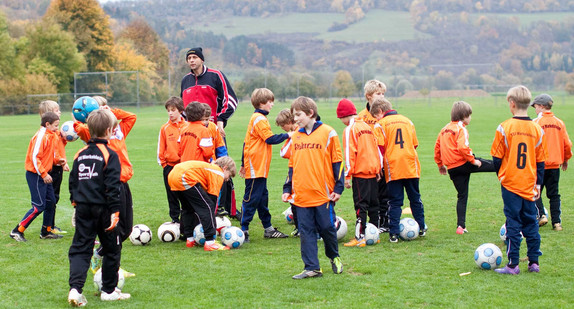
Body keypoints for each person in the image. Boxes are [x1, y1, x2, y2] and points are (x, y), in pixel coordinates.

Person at [67, 109, 130, 306]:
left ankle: (75, 289)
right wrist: (115, 212)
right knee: (112, 248)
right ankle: (109, 291)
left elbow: (73, 182)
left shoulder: (80, 153)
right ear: (110, 130)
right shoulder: (110, 154)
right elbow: (113, 186)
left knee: (80, 248)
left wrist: (75, 205)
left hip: (84, 208)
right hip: (104, 210)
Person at [73, 98, 136, 275]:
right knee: (113, 230)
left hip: (124, 182)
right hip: (109, 185)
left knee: (126, 229)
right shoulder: (89, 131)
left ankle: (101, 256)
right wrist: (83, 116)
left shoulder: (119, 130)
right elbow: (78, 125)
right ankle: (111, 269)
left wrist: (113, 112)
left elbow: (131, 117)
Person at [282, 96, 343, 279]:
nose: (295, 119)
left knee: (326, 228)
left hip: (322, 194)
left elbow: (337, 162)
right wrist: (287, 188)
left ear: (310, 113)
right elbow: (292, 165)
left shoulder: (328, 133)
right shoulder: (296, 136)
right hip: (301, 195)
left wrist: (338, 188)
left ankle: (334, 256)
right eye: (294, 115)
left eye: (298, 115)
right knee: (306, 231)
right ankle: (312, 267)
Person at [491, 85, 546, 275]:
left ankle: (513, 265)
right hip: (530, 184)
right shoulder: (537, 129)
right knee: (531, 222)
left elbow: (497, 159)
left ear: (512, 104)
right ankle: (534, 263)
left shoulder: (504, 127)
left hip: (511, 184)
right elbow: (540, 161)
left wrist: (502, 175)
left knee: (512, 222)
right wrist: (538, 183)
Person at [180, 47, 238, 222]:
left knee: (222, 167)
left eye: (195, 57)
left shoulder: (215, 76)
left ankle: (226, 208)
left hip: (214, 131)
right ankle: (201, 208)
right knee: (195, 170)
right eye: (189, 58)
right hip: (192, 134)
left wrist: (220, 120)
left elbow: (231, 100)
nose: (192, 60)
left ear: (202, 59)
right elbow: (184, 107)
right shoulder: (185, 80)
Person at [434, 101, 495, 234]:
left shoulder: (444, 129)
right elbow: (462, 147)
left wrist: (440, 165)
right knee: (491, 164)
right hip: (463, 164)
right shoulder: (461, 129)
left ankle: (461, 226)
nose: (470, 118)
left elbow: (437, 148)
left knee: (462, 196)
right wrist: (473, 161)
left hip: (452, 168)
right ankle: (507, 170)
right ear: (464, 115)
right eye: (469, 115)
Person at [370, 98, 426, 243]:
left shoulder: (380, 124)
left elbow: (380, 148)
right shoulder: (408, 121)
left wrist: (379, 167)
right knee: (415, 197)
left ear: (380, 112)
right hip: (410, 165)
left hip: (393, 167)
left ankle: (393, 233)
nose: (376, 118)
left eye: (376, 115)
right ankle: (421, 227)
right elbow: (414, 144)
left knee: (395, 201)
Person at [239, 88, 291, 242]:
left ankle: (268, 229)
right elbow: (270, 139)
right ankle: (244, 230)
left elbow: (245, 142)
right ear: (262, 103)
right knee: (252, 198)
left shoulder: (259, 118)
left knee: (262, 198)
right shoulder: (259, 119)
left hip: (259, 167)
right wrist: (289, 134)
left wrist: (243, 163)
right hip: (256, 166)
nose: (272, 104)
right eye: (270, 101)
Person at [10, 112, 65, 242]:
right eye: (56, 126)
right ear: (47, 124)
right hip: (36, 175)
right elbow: (35, 157)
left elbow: (48, 155)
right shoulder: (41, 136)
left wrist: (58, 161)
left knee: (51, 202)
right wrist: (44, 174)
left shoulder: (50, 135)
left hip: (44, 174)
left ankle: (46, 231)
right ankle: (17, 231)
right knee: (39, 206)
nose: (57, 128)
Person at [336, 98, 382, 247]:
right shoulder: (367, 126)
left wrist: (347, 175)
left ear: (344, 116)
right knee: (374, 205)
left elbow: (349, 153)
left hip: (360, 174)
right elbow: (376, 150)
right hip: (372, 172)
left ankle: (360, 237)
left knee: (360, 206)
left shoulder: (350, 129)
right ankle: (375, 234)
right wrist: (378, 169)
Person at [168, 157, 237, 251]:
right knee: (208, 207)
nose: (227, 179)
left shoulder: (209, 168)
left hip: (172, 175)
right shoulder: (218, 172)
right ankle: (210, 242)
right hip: (185, 177)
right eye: (228, 176)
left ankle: (190, 240)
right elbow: (212, 200)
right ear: (224, 168)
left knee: (187, 208)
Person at [531, 94, 572, 231]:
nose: (535, 110)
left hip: (539, 164)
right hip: (555, 165)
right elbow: (567, 144)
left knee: (535, 192)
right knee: (554, 194)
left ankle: (541, 215)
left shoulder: (535, 123)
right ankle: (557, 223)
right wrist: (565, 159)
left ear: (542, 106)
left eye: (536, 107)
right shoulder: (559, 123)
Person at [358, 80, 389, 233]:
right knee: (370, 195)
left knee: (385, 193)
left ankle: (385, 221)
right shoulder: (361, 117)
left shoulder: (386, 115)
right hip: (368, 162)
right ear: (368, 96)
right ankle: (371, 223)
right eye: (378, 94)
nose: (381, 96)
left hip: (384, 160)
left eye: (383, 93)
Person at [157, 97, 188, 229]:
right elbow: (161, 148)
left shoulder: (187, 126)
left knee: (185, 194)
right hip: (170, 166)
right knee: (172, 195)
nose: (170, 113)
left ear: (180, 111)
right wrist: (164, 164)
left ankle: (187, 219)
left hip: (184, 167)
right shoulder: (165, 128)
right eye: (168, 111)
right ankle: (175, 220)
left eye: (173, 110)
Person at [39, 100, 69, 235]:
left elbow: (61, 148)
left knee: (54, 198)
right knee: (51, 198)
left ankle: (50, 225)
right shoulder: (47, 134)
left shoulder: (56, 132)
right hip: (51, 168)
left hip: (58, 167)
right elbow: (52, 152)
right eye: (57, 110)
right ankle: (48, 226)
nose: (60, 112)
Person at [276, 109, 300, 236]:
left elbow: (283, 152)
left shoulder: (295, 133)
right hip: (300, 167)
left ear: (289, 122)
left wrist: (289, 136)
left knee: (294, 198)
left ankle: (299, 227)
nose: (282, 128)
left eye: (282, 125)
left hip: (296, 168)